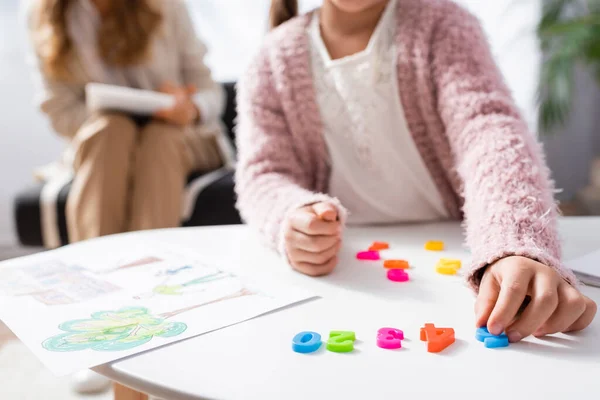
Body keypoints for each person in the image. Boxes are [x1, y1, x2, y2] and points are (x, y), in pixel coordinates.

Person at [235, 0, 597, 344]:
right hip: (348, 274)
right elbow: (263, 173)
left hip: (454, 258)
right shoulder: (271, 58)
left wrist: (515, 243)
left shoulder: (442, 25)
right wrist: (290, 217)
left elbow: (488, 130)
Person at [27, 0, 232, 244]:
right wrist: (122, 123)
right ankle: (98, 267)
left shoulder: (165, 6)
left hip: (181, 134)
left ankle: (150, 266)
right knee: (112, 130)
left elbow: (210, 91)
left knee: (158, 138)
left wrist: (191, 108)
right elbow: (59, 112)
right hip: (102, 138)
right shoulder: (42, 14)